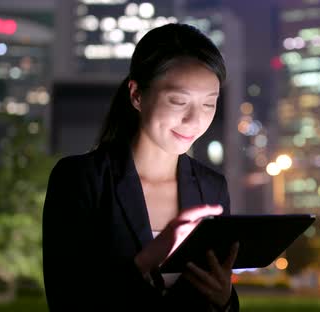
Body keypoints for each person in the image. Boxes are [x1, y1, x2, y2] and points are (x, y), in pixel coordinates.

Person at [42, 23, 239, 311]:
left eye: (209, 104)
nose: (194, 120)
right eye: (178, 101)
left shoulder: (212, 186)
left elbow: (217, 295)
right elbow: (66, 300)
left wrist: (224, 300)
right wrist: (147, 260)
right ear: (137, 95)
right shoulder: (80, 179)